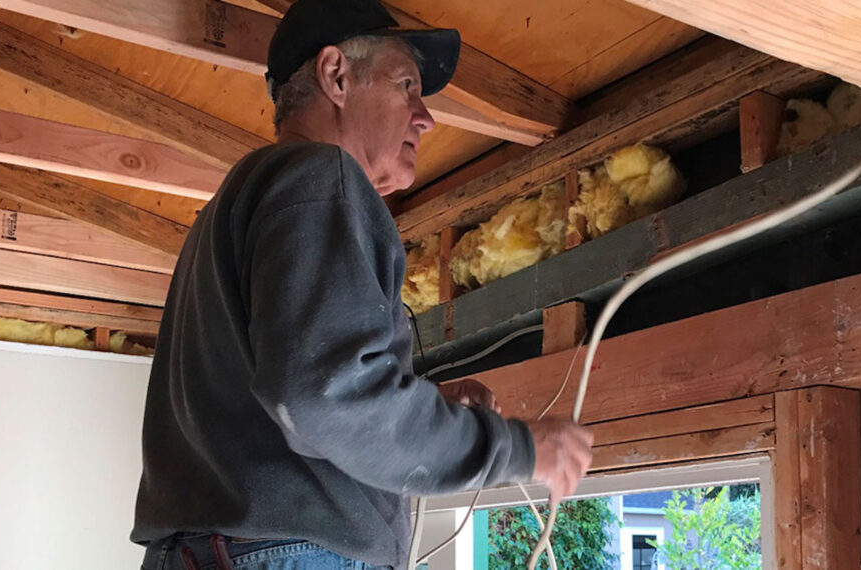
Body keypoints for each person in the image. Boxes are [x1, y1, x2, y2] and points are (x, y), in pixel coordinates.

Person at [131, 0, 593, 568]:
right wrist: (518, 450)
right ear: (336, 75)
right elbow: (324, 395)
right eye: (407, 85)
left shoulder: (240, 204)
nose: (426, 117)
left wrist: (422, 404)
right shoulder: (318, 175)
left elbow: (301, 392)